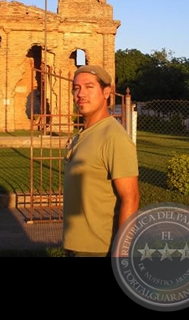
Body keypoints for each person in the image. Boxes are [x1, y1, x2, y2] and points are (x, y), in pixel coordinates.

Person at [63, 65, 139, 257]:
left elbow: (131, 197)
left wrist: (121, 252)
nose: (81, 94)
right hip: (76, 244)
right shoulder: (83, 135)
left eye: (89, 87)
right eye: (77, 88)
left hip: (98, 248)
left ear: (106, 92)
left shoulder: (113, 137)